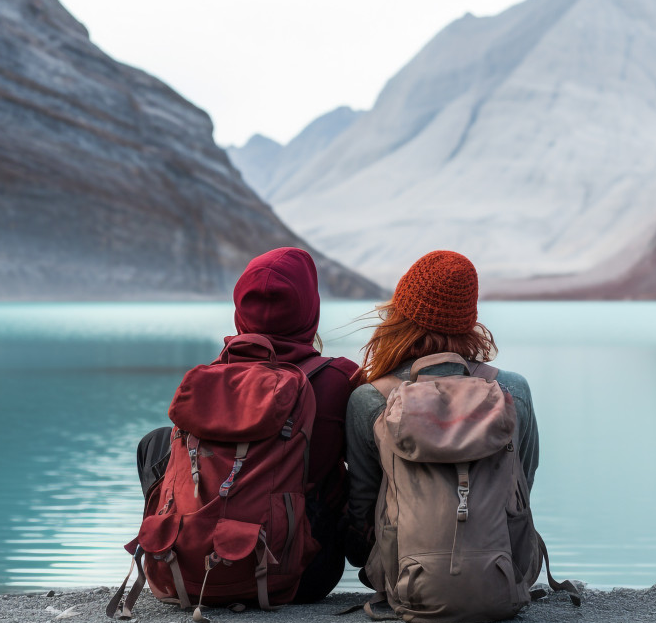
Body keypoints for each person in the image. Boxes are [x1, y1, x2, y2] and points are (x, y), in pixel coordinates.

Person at [134, 247, 360, 603]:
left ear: (240, 309)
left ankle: (175, 542)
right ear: (309, 308)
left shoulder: (211, 377)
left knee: (157, 441)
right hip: (302, 575)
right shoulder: (339, 378)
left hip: (189, 572)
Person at [342, 250, 540, 569]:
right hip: (501, 572)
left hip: (405, 578)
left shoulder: (370, 398)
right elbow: (522, 491)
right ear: (468, 321)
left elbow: (362, 514)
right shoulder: (512, 390)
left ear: (400, 316)